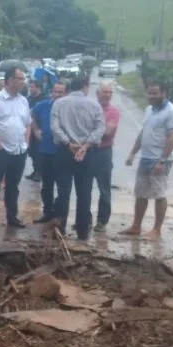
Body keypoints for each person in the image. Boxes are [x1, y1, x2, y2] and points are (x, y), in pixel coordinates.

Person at [120, 80, 173, 239]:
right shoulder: (149, 110)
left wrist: (162, 160)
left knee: (159, 194)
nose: (151, 96)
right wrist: (133, 153)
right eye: (149, 92)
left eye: (155, 93)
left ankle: (157, 229)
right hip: (145, 158)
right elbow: (143, 133)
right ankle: (136, 226)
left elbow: (172, 137)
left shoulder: (172, 112)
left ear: (164, 93)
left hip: (160, 160)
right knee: (140, 194)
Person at [50, 74, 106, 240]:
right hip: (87, 153)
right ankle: (82, 231)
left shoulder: (59, 104)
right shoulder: (94, 105)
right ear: (85, 86)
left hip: (64, 152)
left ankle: (60, 228)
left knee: (63, 191)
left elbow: (54, 128)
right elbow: (100, 128)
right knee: (84, 192)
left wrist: (69, 144)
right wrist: (86, 145)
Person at [0, 67, 32, 228]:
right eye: (20, 79)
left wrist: (26, 144)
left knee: (13, 187)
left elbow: (28, 124)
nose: (23, 82)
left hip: (18, 151)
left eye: (23, 79)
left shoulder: (23, 100)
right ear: (9, 80)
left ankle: (12, 217)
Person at [31, 81, 64, 223]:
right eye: (55, 92)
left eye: (60, 92)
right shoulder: (44, 105)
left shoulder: (67, 107)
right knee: (47, 185)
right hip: (45, 151)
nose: (56, 95)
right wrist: (35, 130)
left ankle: (59, 213)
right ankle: (47, 212)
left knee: (63, 185)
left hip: (63, 152)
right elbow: (30, 115)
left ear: (66, 93)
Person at [93, 81, 122, 231]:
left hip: (104, 152)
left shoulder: (113, 111)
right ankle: (83, 218)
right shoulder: (90, 108)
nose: (108, 95)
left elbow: (107, 133)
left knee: (104, 188)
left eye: (110, 92)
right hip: (89, 152)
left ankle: (102, 221)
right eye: (105, 92)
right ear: (97, 93)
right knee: (83, 188)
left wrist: (90, 133)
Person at [24, 79, 45, 182]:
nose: (30, 89)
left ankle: (39, 172)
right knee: (31, 152)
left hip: (39, 129)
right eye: (30, 87)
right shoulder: (28, 99)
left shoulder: (44, 99)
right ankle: (35, 170)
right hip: (28, 129)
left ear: (38, 87)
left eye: (32, 87)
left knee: (38, 152)